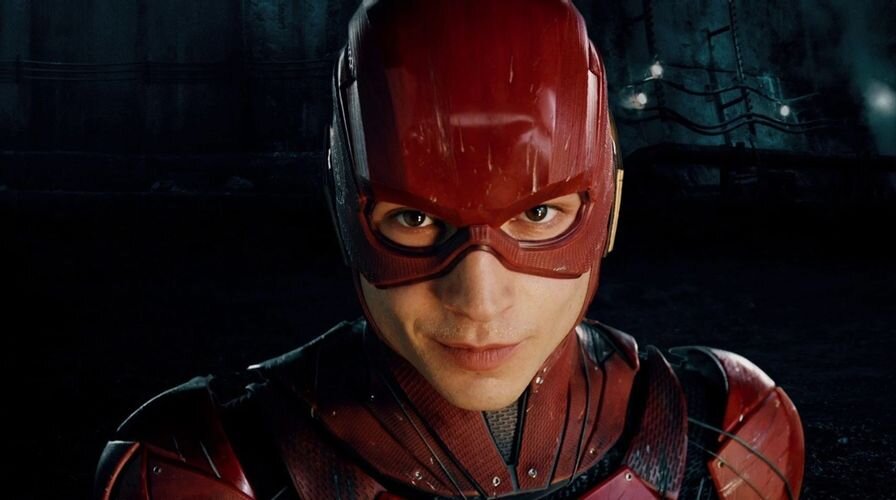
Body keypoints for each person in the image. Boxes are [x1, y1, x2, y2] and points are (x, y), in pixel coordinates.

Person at [94, 1, 804, 498]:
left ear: (609, 209)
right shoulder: (205, 468)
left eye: (537, 214)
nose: (480, 302)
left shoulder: (728, 432)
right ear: (343, 213)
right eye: (414, 220)